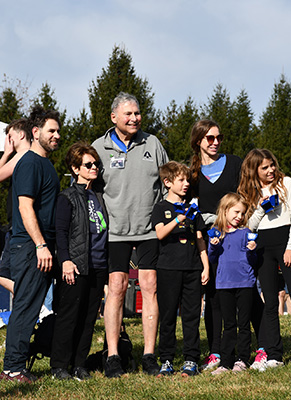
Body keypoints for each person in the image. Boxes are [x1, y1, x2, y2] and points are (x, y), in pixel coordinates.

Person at [92, 92, 168, 378]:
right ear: (114, 117)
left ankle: (149, 355)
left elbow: (166, 184)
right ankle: (112, 355)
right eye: (129, 114)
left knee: (149, 286)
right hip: (114, 232)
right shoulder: (99, 147)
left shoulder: (153, 143)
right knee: (117, 288)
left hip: (149, 230)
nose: (135, 118)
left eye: (137, 113)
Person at [189, 119, 266, 371]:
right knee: (214, 297)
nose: (215, 142)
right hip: (212, 242)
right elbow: (191, 205)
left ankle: (263, 347)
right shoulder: (193, 171)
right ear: (198, 141)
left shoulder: (234, 163)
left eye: (218, 137)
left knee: (248, 295)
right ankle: (216, 352)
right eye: (209, 138)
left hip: (239, 238)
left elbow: (247, 194)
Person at [238, 148, 291, 371]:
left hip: (285, 241)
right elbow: (249, 226)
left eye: (272, 164)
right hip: (263, 245)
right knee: (270, 302)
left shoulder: (287, 183)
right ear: (254, 170)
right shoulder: (250, 191)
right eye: (264, 167)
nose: (271, 170)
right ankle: (275, 355)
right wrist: (262, 208)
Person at [0, 106, 61, 383]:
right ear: (35, 133)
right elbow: (25, 207)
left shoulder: (45, 164)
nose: (57, 135)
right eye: (52, 131)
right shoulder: (30, 163)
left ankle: (16, 364)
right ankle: (13, 369)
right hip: (29, 247)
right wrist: (40, 245)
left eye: (58, 131)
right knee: (24, 307)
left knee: (31, 306)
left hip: (40, 246)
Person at [50, 142, 108, 380]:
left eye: (96, 163)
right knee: (69, 317)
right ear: (75, 168)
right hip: (75, 265)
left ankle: (79, 365)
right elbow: (60, 232)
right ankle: (59, 366)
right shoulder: (67, 197)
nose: (94, 167)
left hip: (98, 265)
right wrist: (65, 260)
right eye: (88, 164)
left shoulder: (99, 196)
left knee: (88, 318)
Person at [151, 161, 209, 377]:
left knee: (192, 316)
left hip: (193, 268)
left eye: (187, 180)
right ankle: (166, 359)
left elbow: (200, 238)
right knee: (167, 316)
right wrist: (178, 219)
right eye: (181, 180)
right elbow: (160, 234)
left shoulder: (193, 209)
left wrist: (205, 265)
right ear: (167, 182)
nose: (186, 184)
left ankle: (191, 360)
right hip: (168, 268)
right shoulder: (160, 208)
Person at [208, 193, 257, 375]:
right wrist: (213, 246)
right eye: (236, 212)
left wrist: (252, 251)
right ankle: (225, 361)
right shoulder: (216, 234)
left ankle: (242, 359)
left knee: (243, 323)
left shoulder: (246, 233)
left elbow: (252, 260)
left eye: (243, 213)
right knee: (228, 324)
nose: (240, 216)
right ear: (225, 210)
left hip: (245, 283)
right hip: (223, 284)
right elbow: (212, 257)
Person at [0, 119, 31, 294]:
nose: (8, 141)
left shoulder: (23, 155)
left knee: (6, 272)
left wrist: (5, 154)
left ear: (21, 135)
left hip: (19, 228)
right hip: (18, 226)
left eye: (10, 136)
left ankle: (37, 307)